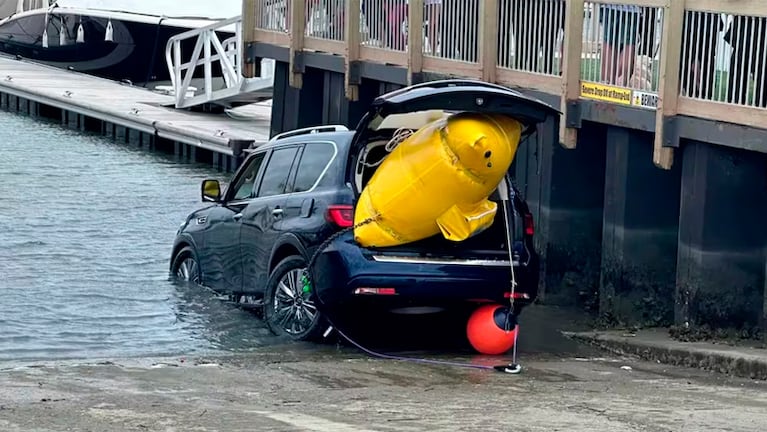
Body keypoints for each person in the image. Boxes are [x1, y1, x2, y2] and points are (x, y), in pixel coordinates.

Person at [508, 0, 566, 75]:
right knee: (535, 40)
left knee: (548, 41)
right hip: (537, 8)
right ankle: (530, 68)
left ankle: (547, 70)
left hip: (553, 7)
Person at [723, 14, 767, 107]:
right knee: (737, 79)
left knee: (762, 79)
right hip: (745, 28)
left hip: (760, 30)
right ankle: (734, 108)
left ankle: (760, 109)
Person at [599, 4, 642, 86]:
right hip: (633, 7)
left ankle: (607, 83)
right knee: (629, 43)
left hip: (610, 5)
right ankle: (621, 82)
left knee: (608, 40)